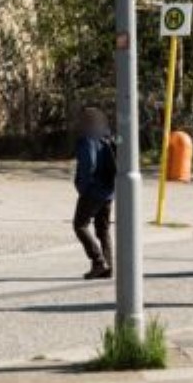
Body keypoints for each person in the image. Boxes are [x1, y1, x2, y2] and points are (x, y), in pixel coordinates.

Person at [73, 107, 116, 280]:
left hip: (93, 190)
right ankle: (108, 266)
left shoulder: (88, 138)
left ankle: (99, 262)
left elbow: (88, 164)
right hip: (109, 190)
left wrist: (82, 186)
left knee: (80, 225)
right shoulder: (107, 136)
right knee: (103, 230)